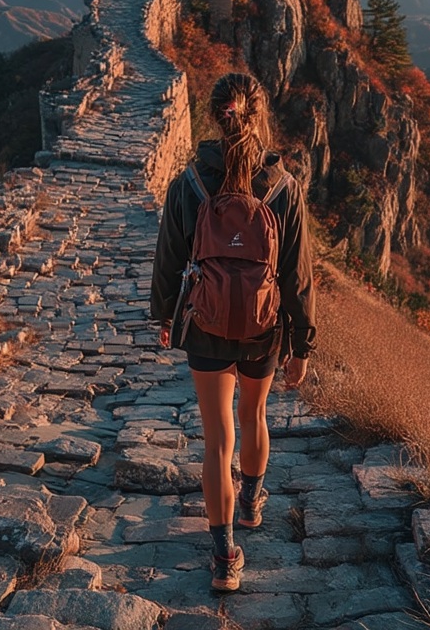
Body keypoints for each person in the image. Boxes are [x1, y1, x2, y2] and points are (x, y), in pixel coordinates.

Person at [150, 72, 317, 593]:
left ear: (214, 117)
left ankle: (223, 558)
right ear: (258, 116)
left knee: (217, 436)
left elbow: (169, 256)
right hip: (264, 328)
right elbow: (298, 274)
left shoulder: (191, 184)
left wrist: (163, 317)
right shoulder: (284, 189)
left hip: (205, 324)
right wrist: (301, 345)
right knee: (254, 414)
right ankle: (250, 503)